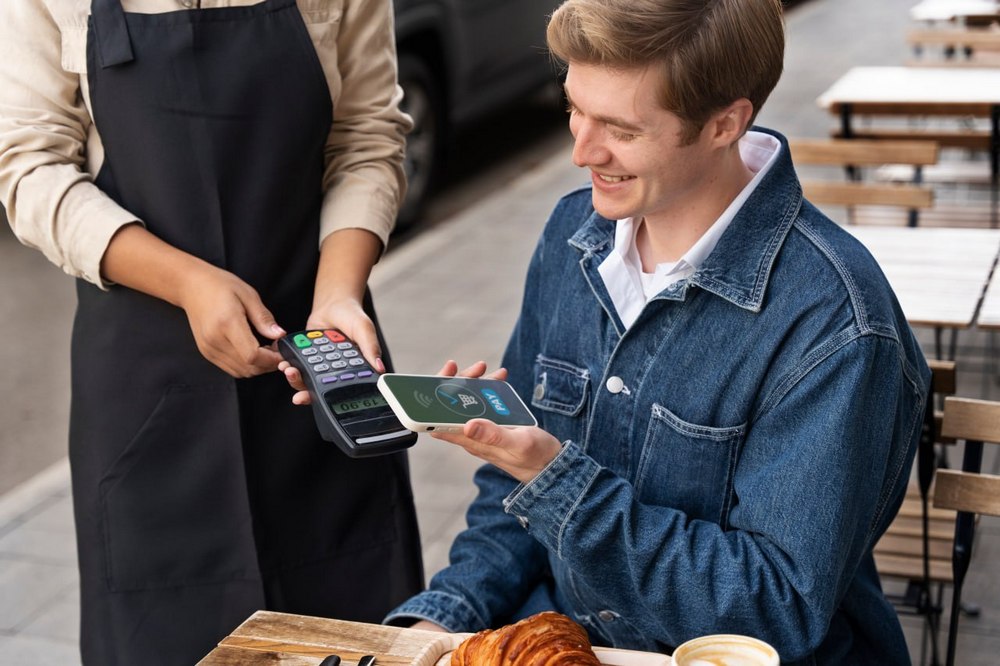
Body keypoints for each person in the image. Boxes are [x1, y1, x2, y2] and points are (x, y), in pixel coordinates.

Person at [384, 1, 930, 664]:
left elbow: (776, 609)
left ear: (725, 123)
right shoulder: (571, 234)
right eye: (574, 108)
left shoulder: (837, 323)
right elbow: (512, 496)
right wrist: (444, 616)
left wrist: (554, 479)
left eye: (621, 129)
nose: (582, 151)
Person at [0, 0, 423, 663]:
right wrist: (189, 283)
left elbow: (367, 135)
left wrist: (338, 291)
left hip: (316, 375)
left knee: (352, 633)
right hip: (146, 401)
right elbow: (30, 167)